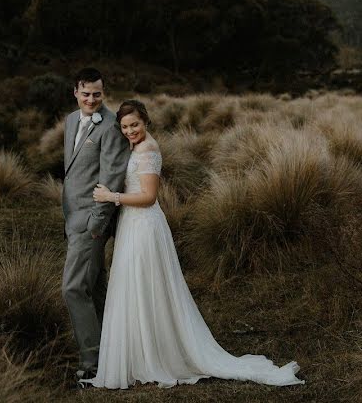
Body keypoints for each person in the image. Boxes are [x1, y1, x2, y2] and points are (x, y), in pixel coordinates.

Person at [81, 99, 304, 390]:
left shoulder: (149, 149)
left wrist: (112, 197)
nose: (130, 130)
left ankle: (154, 353)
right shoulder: (135, 146)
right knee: (132, 284)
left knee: (145, 283)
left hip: (145, 224)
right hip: (131, 225)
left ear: (145, 120)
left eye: (134, 124)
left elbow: (148, 196)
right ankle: (138, 353)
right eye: (124, 126)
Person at [60, 68, 130, 385]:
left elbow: (112, 176)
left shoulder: (111, 126)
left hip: (91, 223)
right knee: (96, 288)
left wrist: (96, 224)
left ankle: (91, 361)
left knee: (74, 288)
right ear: (75, 91)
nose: (91, 99)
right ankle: (117, 350)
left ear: (104, 93)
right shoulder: (72, 121)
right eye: (86, 93)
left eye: (97, 94)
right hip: (71, 218)